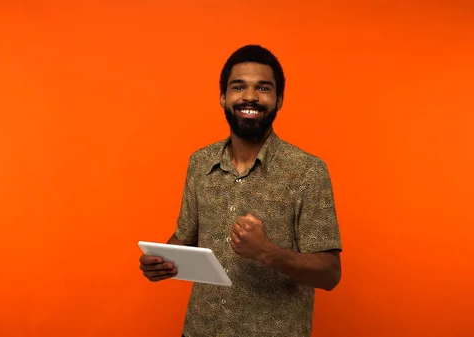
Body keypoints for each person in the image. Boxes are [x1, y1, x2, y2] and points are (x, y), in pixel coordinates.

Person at [139, 44, 343, 337]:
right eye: (239, 87)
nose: (249, 96)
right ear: (223, 97)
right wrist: (161, 261)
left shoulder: (307, 171)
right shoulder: (200, 162)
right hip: (199, 329)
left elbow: (330, 274)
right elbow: (186, 236)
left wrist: (267, 252)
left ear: (279, 99)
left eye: (263, 88)